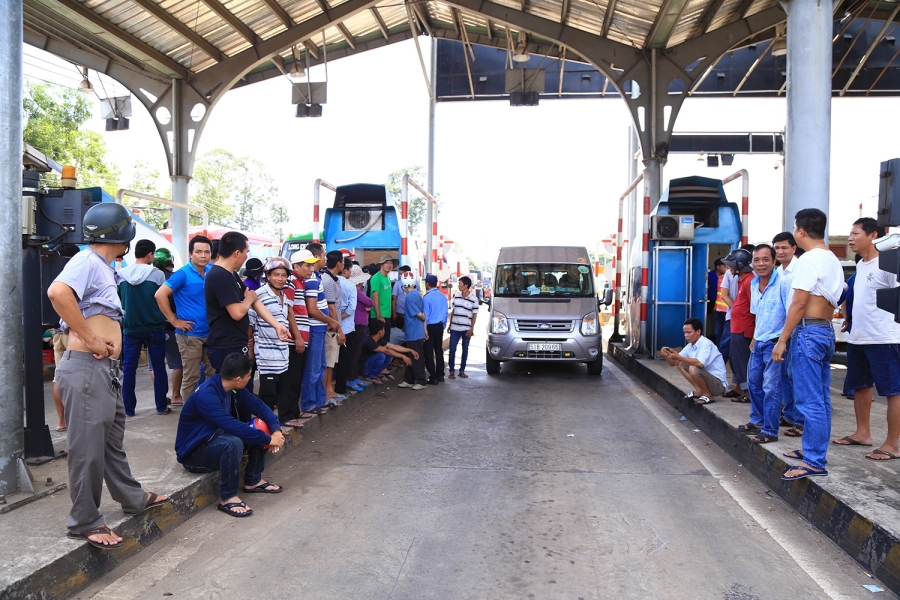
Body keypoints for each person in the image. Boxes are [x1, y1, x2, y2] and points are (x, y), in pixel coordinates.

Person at [47, 202, 168, 550]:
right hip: (86, 367)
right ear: (123, 234)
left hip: (104, 370)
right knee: (87, 448)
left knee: (111, 443)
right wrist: (91, 338)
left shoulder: (103, 266)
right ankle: (84, 520)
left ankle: (132, 497)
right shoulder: (86, 261)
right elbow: (58, 293)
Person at [772, 208, 844, 480]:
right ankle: (813, 450)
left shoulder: (808, 260)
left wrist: (782, 340)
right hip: (825, 331)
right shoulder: (832, 259)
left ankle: (814, 459)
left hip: (808, 332)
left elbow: (799, 303)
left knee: (810, 400)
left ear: (800, 232)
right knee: (821, 399)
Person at [174, 352, 285, 518]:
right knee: (234, 442)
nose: (249, 379)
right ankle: (228, 497)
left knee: (259, 427)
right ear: (238, 378)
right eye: (248, 376)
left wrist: (275, 430)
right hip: (193, 454)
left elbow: (259, 407)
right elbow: (232, 426)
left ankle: (253, 480)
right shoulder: (207, 396)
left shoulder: (232, 388)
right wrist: (269, 440)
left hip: (214, 440)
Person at [833, 218, 900, 460]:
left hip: (884, 337)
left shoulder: (889, 263)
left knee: (893, 391)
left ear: (873, 235)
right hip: (859, 338)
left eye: (855, 233)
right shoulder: (862, 265)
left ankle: (892, 445)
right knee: (860, 387)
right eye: (850, 233)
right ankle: (863, 433)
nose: (850, 238)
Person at [205, 232, 290, 371]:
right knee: (231, 389)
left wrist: (277, 326)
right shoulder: (219, 276)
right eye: (246, 252)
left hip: (236, 342)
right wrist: (249, 299)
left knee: (242, 389)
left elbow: (254, 301)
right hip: (226, 345)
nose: (246, 256)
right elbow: (237, 312)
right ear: (237, 253)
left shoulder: (231, 274)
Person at [155, 235, 214, 399]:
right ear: (190, 254)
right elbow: (160, 295)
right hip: (190, 335)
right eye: (199, 252)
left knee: (213, 374)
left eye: (207, 252)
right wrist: (174, 320)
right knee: (191, 377)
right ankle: (189, 416)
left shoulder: (212, 271)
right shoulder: (183, 274)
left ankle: (210, 409)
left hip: (211, 333)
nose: (203, 255)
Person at [745, 244, 792, 443]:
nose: (761, 264)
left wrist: (782, 342)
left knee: (772, 387)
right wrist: (755, 338)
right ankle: (757, 421)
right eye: (757, 260)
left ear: (774, 262)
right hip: (760, 341)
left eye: (766, 259)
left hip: (775, 343)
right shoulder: (754, 284)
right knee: (753, 383)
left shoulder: (784, 283)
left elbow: (792, 314)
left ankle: (770, 430)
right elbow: (759, 314)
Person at [118, 239, 169, 416]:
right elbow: (164, 299)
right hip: (155, 326)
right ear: (150, 255)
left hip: (130, 328)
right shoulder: (157, 274)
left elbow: (118, 302)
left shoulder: (121, 274)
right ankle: (161, 406)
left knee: (129, 368)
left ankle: (129, 409)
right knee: (158, 367)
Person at [250, 257, 302, 423]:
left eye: (283, 275)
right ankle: (264, 427)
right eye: (276, 275)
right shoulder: (259, 295)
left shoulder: (284, 296)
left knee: (280, 390)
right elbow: (250, 324)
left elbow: (287, 317)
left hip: (282, 353)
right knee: (268, 393)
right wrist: (250, 349)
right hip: (265, 354)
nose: (280, 279)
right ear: (268, 276)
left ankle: (275, 424)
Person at [300, 245, 342, 415]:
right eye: (323, 255)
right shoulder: (311, 280)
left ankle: (318, 400)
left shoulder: (316, 277)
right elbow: (312, 309)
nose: (324, 259)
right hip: (315, 328)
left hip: (320, 327)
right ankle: (309, 403)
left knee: (321, 365)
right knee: (314, 367)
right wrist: (331, 320)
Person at [277, 250, 316, 422]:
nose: (311, 269)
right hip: (295, 338)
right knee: (291, 378)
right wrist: (297, 336)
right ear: (296, 266)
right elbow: (289, 310)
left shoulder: (301, 282)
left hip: (301, 337)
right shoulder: (291, 282)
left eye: (312, 265)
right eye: (308, 265)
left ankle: (294, 411)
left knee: (297, 376)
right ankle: (286, 415)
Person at [772, 231, 803, 436]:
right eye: (777, 248)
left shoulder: (800, 269)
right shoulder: (779, 272)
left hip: (798, 330)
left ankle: (800, 421)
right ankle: (790, 414)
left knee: (797, 376)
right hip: (781, 331)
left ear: (794, 248)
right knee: (784, 375)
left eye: (784, 247)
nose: (780, 251)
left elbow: (798, 304)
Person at [661, 318, 727, 404]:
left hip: (718, 386)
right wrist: (666, 355)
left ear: (698, 332)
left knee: (693, 368)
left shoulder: (706, 343)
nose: (686, 335)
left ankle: (708, 395)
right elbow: (674, 363)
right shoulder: (690, 345)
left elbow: (700, 363)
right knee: (681, 364)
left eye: (689, 332)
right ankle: (699, 391)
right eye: (685, 333)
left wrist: (679, 357)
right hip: (708, 381)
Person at [721, 248, 755, 404]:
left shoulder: (749, 281)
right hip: (737, 326)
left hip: (743, 328)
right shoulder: (743, 280)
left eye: (731, 265)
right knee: (737, 360)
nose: (729, 268)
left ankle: (748, 393)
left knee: (742, 361)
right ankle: (744, 390)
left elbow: (755, 308)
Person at [153, 248, 183, 406]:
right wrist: (174, 319)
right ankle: (176, 395)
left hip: (152, 327)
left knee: (155, 365)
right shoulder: (174, 278)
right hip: (171, 326)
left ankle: (160, 397)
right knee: (178, 363)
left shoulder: (148, 277)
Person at [319, 250, 348, 405]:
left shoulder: (333, 279)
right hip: (331, 328)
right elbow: (331, 308)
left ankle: (329, 389)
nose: (343, 264)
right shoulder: (328, 281)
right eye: (342, 261)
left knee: (331, 362)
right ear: (338, 263)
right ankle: (326, 392)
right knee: (328, 361)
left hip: (334, 326)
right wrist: (339, 329)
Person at [397, 273, 428, 390]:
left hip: (413, 332)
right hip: (416, 331)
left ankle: (421, 380)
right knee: (412, 356)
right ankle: (408, 379)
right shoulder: (418, 295)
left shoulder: (409, 297)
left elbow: (419, 314)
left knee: (416, 357)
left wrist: (423, 318)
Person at [447, 276, 478, 379]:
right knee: (452, 349)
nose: (458, 285)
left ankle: (462, 370)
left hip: (466, 328)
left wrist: (472, 328)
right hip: (455, 328)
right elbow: (453, 311)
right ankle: (451, 371)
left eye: (460, 283)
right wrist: (450, 325)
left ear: (466, 285)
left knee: (465, 349)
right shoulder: (456, 296)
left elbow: (474, 315)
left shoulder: (474, 299)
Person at [337, 258, 360, 393]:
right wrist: (339, 319)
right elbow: (351, 309)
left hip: (333, 328)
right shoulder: (350, 285)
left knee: (333, 361)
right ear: (345, 270)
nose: (351, 272)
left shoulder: (330, 281)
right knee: (344, 360)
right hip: (347, 329)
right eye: (350, 269)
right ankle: (340, 388)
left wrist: (334, 320)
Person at [350, 265, 373, 387]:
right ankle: (352, 378)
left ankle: (354, 377)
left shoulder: (356, 291)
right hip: (359, 323)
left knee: (356, 352)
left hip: (358, 323)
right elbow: (370, 302)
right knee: (355, 352)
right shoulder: (357, 292)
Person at [423, 274, 447, 385]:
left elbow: (425, 316)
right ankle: (440, 374)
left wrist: (425, 331)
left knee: (428, 352)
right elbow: (445, 314)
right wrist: (443, 325)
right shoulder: (443, 297)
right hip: (439, 326)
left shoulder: (426, 298)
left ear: (427, 284)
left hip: (430, 326)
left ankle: (433, 377)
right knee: (438, 351)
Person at [369, 254, 396, 341]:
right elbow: (375, 297)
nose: (389, 265)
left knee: (386, 342)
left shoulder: (387, 278)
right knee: (379, 344)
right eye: (386, 263)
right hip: (378, 316)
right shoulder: (376, 278)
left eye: (391, 263)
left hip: (386, 315)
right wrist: (379, 315)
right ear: (381, 264)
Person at [712, 259, 728, 345]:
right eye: (725, 266)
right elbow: (719, 295)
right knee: (718, 333)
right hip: (718, 310)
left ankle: (724, 354)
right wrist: (715, 306)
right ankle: (719, 352)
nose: (726, 268)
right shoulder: (720, 278)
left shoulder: (734, 278)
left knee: (726, 334)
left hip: (728, 311)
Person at [708, 259, 726, 340]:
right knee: (717, 329)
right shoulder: (709, 275)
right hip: (712, 303)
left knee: (725, 331)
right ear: (718, 267)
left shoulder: (728, 277)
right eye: (724, 266)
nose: (727, 268)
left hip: (726, 308)